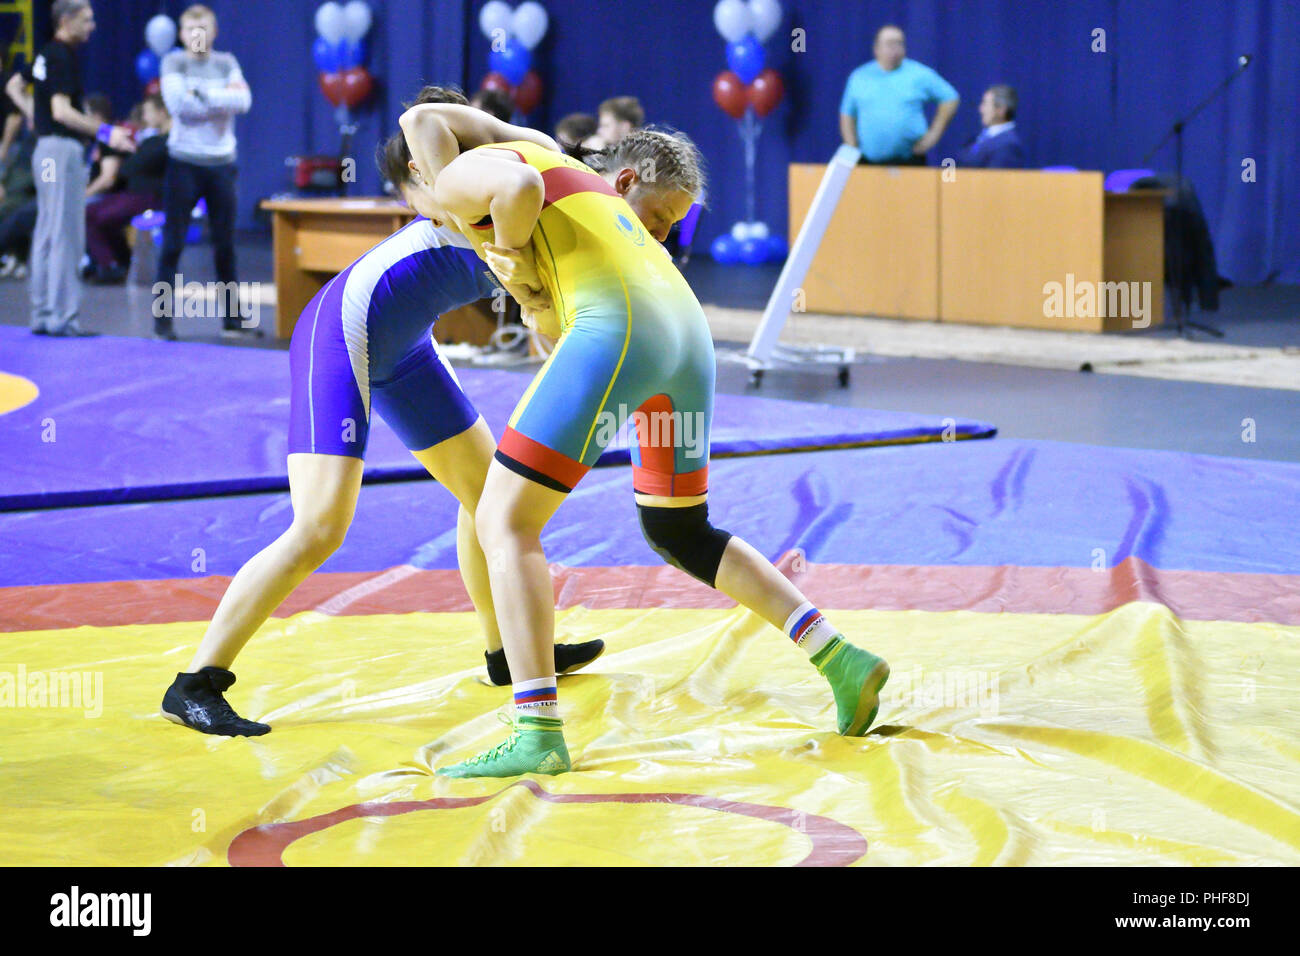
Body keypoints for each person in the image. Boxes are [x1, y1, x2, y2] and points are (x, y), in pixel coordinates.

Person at [398, 105, 892, 778]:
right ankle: (839, 656)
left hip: (623, 330)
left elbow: (429, 122)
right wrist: (528, 280)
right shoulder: (575, 176)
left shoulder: (468, 176)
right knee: (681, 529)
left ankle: (537, 731)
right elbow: (551, 308)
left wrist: (504, 252)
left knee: (503, 521)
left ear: (416, 173)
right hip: (687, 337)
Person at [159, 87, 604, 737]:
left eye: (407, 192)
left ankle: (507, 655)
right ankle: (195, 682)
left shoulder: (487, 188)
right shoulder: (488, 195)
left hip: (403, 348)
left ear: (425, 174)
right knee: (320, 527)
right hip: (339, 337)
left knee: (489, 499)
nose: (411, 210)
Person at [9, 0, 134, 336]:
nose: (93, 26)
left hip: (44, 154)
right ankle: (63, 318)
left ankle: (43, 313)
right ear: (66, 20)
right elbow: (63, 112)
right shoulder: (62, 56)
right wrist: (107, 132)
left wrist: (33, 114)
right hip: (60, 153)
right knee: (66, 231)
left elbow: (13, 87)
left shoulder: (45, 54)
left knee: (48, 228)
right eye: (87, 20)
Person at [154, 3, 250, 341]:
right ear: (182, 34)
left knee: (225, 245)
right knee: (173, 244)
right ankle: (162, 322)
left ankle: (232, 319)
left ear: (214, 31)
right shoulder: (173, 61)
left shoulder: (226, 62)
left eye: (204, 29)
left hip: (222, 164)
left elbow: (244, 102)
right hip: (184, 163)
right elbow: (179, 105)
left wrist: (202, 93)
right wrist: (221, 99)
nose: (198, 36)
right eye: (191, 30)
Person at [839, 24, 959, 165]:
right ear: (876, 49)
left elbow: (950, 98)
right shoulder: (859, 77)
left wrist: (934, 135)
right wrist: (851, 146)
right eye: (890, 44)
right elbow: (847, 114)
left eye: (899, 43)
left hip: (909, 161)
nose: (895, 48)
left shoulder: (919, 74)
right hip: (868, 162)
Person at [85, 94, 170, 284]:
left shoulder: (167, 141)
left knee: (96, 214)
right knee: (93, 214)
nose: (144, 117)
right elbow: (131, 166)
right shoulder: (153, 139)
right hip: (134, 194)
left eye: (148, 112)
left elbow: (130, 167)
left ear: (162, 112)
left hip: (149, 196)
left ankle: (111, 265)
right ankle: (116, 262)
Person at [958, 84, 1024, 169]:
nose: (981, 109)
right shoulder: (976, 139)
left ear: (1001, 110)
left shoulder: (1009, 145)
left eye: (985, 104)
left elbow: (995, 179)